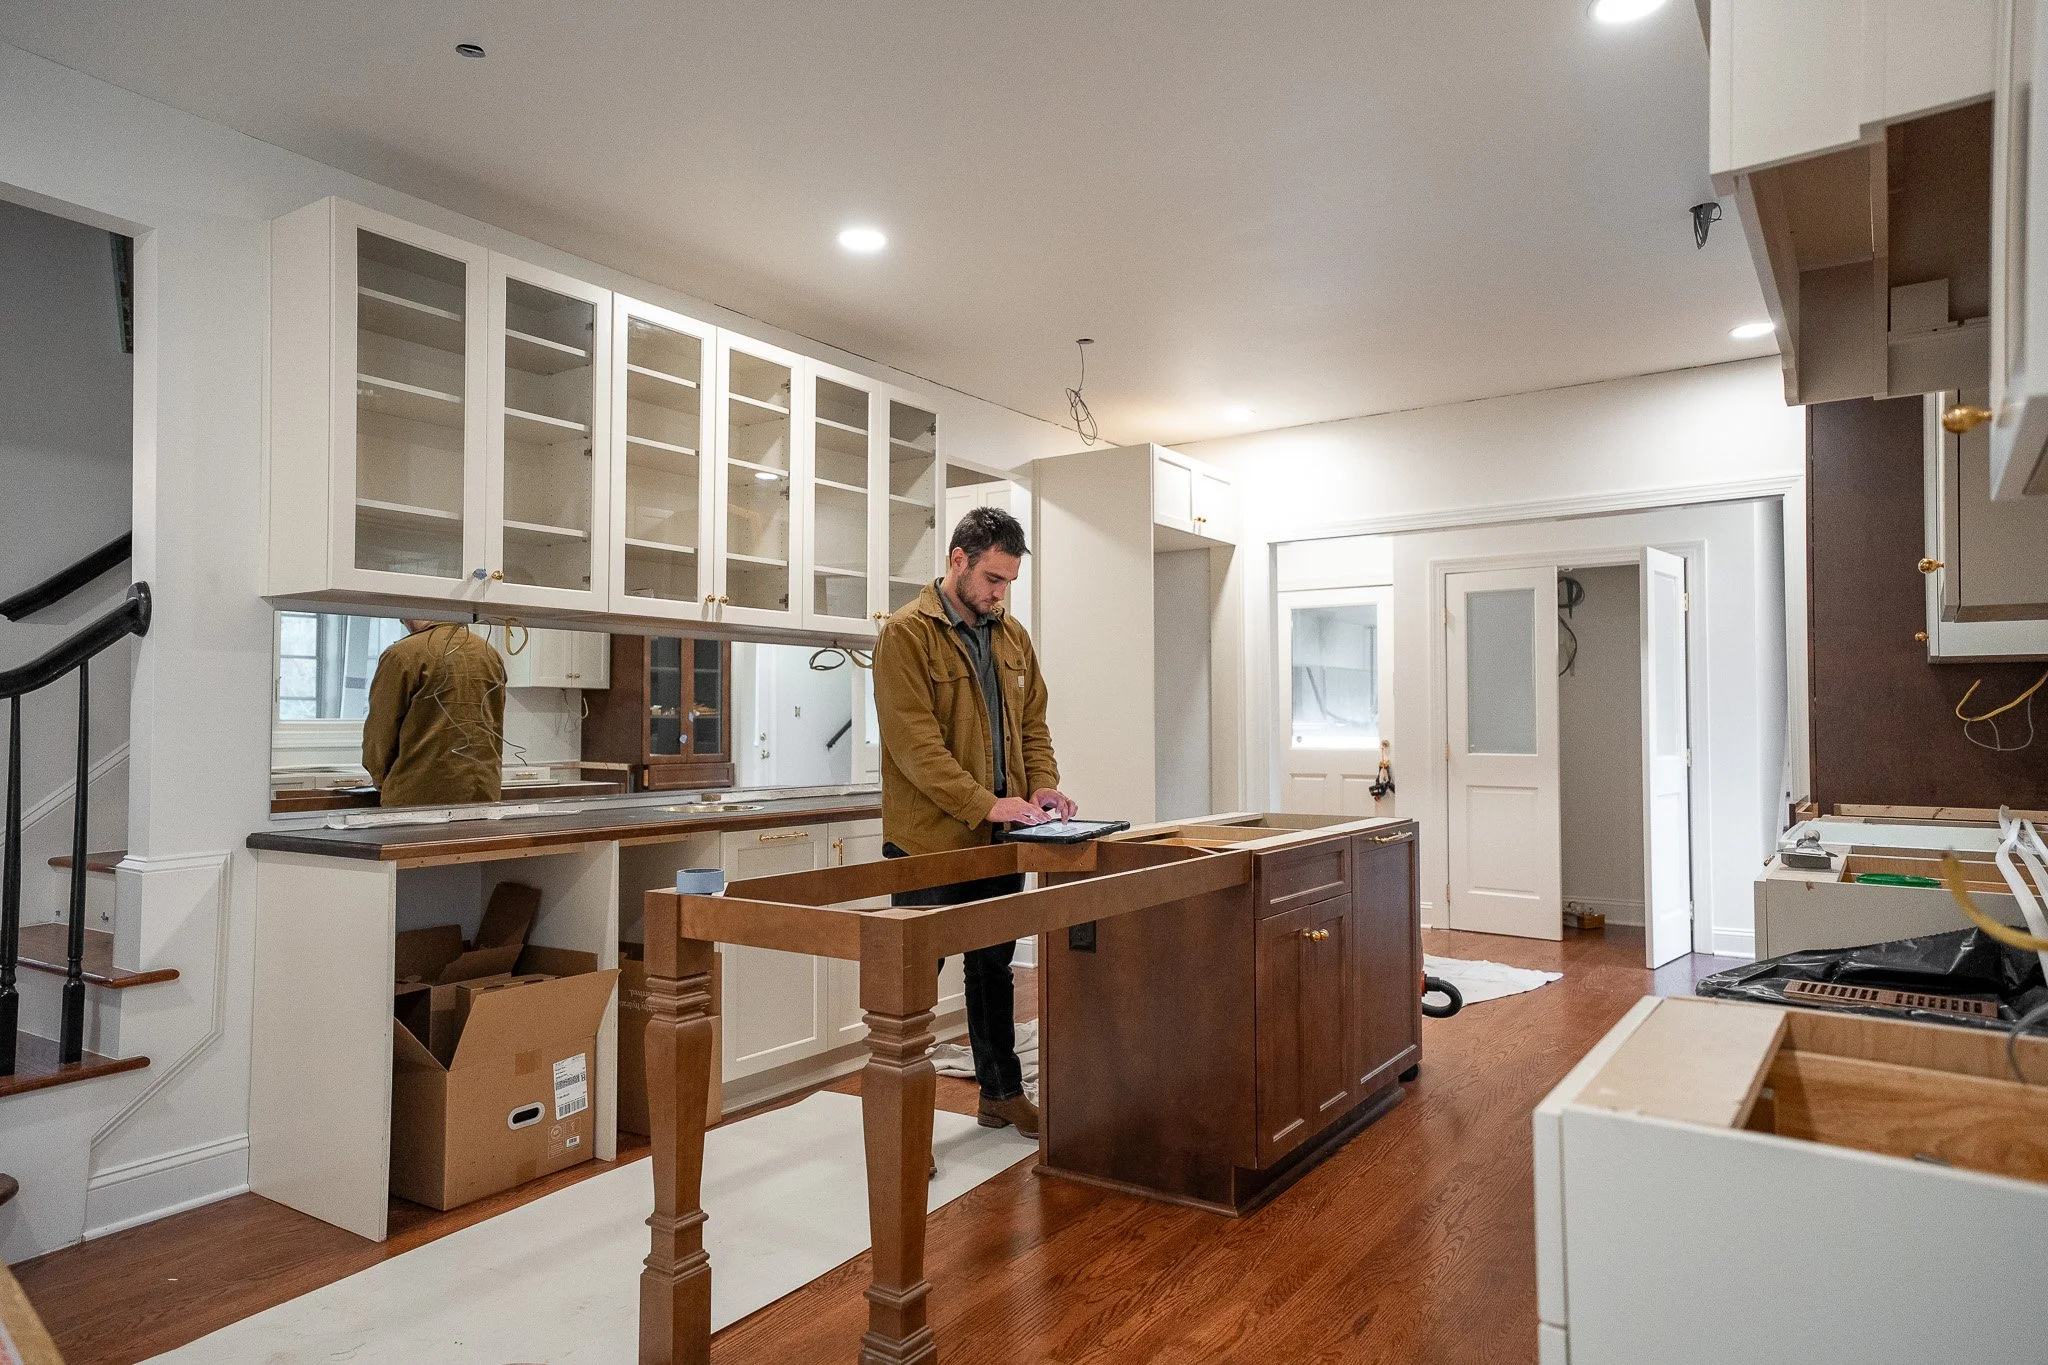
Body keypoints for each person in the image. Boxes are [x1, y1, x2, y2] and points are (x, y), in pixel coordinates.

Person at [872, 506, 1077, 1140]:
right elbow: (916, 747)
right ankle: (899, 1127)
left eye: (1009, 581)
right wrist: (983, 803)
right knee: (909, 992)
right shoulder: (905, 635)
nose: (999, 593)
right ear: (957, 560)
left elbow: (1033, 726)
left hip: (1000, 842)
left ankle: (1001, 1094)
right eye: (992, 578)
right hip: (928, 846)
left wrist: (1041, 785)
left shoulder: (1011, 637)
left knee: (993, 970)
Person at [362, 619, 508, 808]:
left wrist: (383, 780)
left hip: (417, 797)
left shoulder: (401, 655)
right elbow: (496, 721)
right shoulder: (489, 654)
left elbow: (379, 734)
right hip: (483, 793)